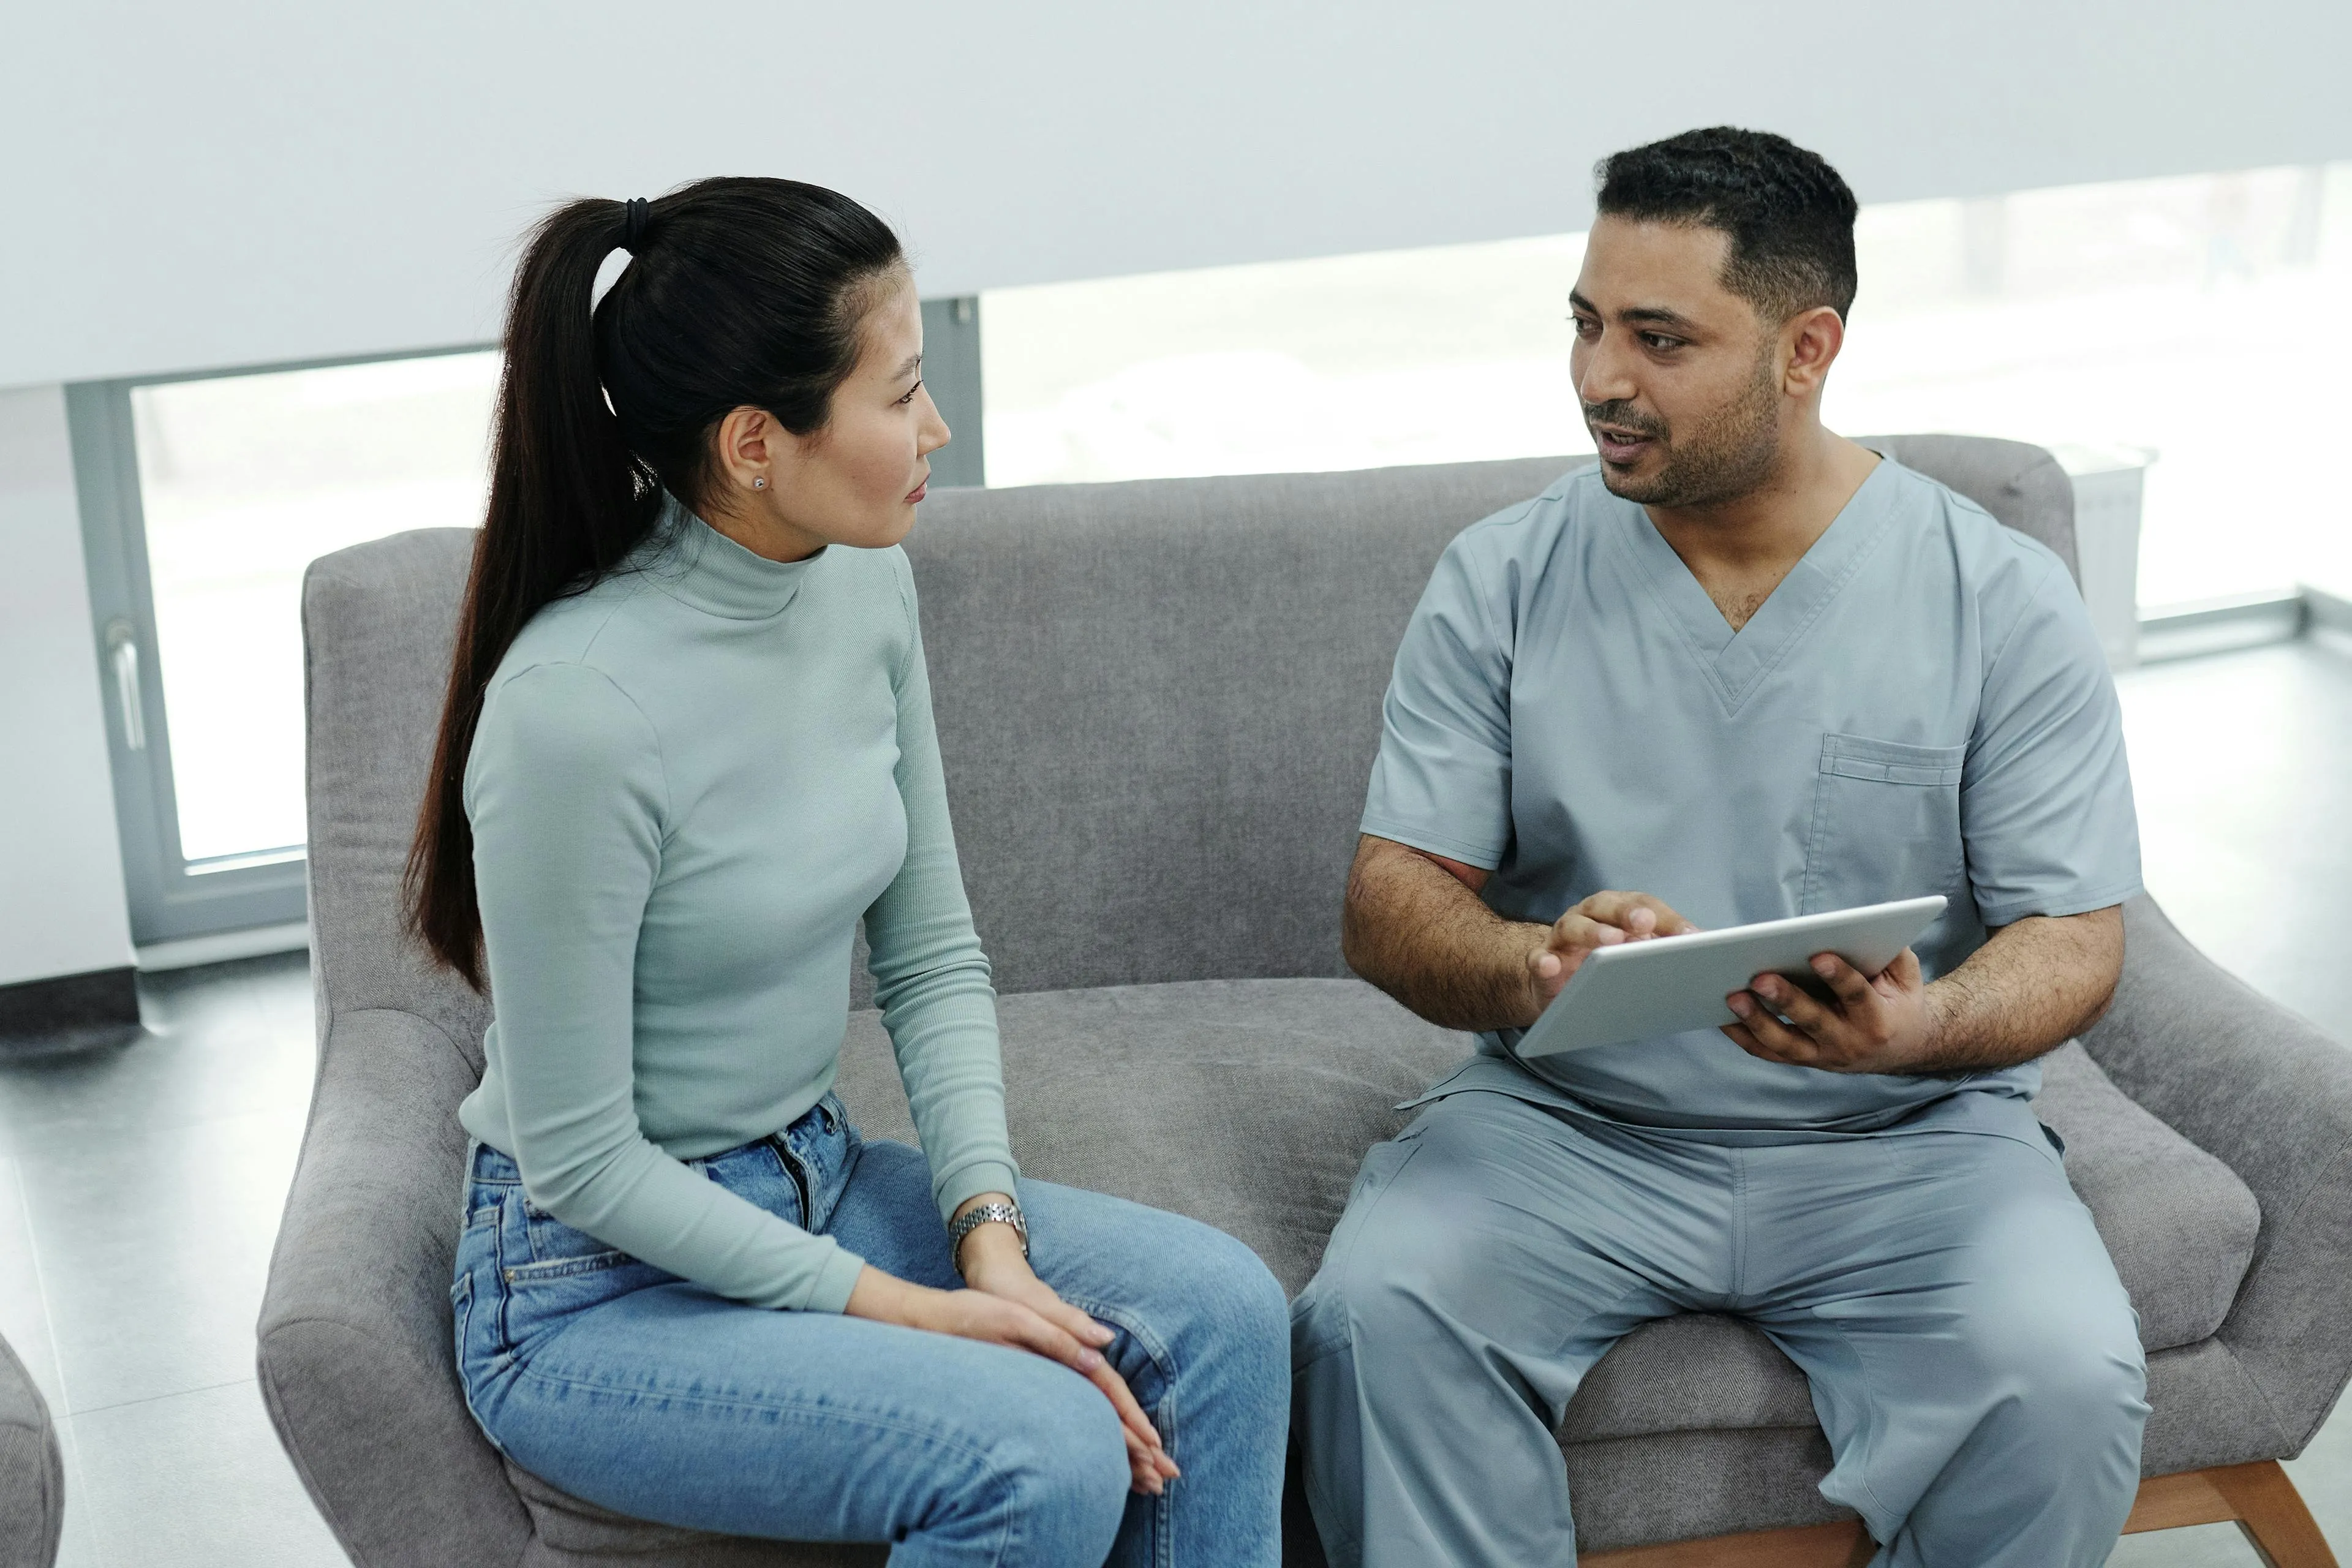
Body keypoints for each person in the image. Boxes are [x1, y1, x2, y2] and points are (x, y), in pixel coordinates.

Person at [1291, 129, 2149, 1567]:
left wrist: (1926, 1025)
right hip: (1571, 1126)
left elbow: (2076, 934)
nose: (1598, 378)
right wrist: (1532, 960)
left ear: (1806, 349)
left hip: (1911, 1141)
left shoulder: (1996, 596)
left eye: (1659, 338)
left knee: (2070, 1378)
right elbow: (1390, 900)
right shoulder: (1502, 577)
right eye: (1585, 323)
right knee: (1376, 1321)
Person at [409, 178, 1288, 1567]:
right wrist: (915, 1309)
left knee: (1226, 1313)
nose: (937, 430)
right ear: (756, 442)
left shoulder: (862, 581)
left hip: (815, 1174)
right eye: (903, 393)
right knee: (1040, 1451)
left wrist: (989, 1236)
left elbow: (931, 954)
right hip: (593, 1289)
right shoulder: (576, 710)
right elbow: (581, 1160)